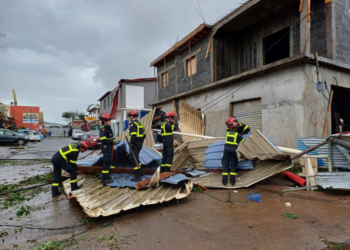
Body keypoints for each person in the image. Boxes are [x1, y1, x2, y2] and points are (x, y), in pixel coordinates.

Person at [222, 117, 245, 186]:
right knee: (233, 165)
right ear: (235, 128)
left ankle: (224, 181)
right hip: (233, 151)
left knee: (225, 165)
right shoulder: (238, 135)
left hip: (226, 150)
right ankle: (232, 182)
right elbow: (243, 141)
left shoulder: (227, 134)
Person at [128, 110, 146, 182]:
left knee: (134, 159)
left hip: (135, 144)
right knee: (136, 158)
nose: (130, 117)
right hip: (139, 144)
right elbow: (144, 135)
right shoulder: (140, 124)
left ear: (132, 116)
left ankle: (137, 176)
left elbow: (133, 136)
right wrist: (140, 142)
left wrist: (131, 145)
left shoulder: (133, 125)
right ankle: (141, 172)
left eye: (130, 116)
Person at [99, 113, 115, 185]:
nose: (110, 121)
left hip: (109, 147)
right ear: (104, 121)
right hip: (106, 148)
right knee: (106, 163)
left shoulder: (108, 128)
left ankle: (106, 176)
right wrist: (111, 141)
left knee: (108, 162)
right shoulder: (103, 129)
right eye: (109, 120)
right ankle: (104, 179)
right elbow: (103, 139)